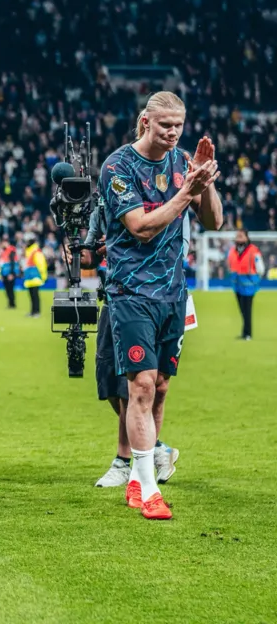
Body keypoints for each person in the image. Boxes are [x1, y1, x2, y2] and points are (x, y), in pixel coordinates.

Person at [100, 91, 223, 520]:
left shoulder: (182, 162)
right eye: (164, 124)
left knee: (162, 389)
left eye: (178, 125)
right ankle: (148, 487)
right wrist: (186, 192)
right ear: (146, 122)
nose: (172, 132)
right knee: (142, 386)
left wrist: (203, 184)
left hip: (173, 292)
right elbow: (141, 228)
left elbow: (214, 222)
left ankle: (136, 478)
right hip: (131, 292)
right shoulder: (118, 167)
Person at [82, 199, 183, 488]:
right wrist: (83, 254)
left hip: (161, 294)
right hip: (115, 297)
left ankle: (124, 462)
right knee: (109, 383)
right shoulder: (103, 207)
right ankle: (156, 448)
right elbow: (89, 255)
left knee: (143, 386)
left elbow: (147, 232)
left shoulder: (169, 197)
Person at [227, 229, 265, 340]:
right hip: (237, 284)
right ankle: (245, 332)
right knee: (242, 309)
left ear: (246, 238)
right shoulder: (233, 250)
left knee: (247, 309)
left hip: (248, 285)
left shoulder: (253, 250)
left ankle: (248, 333)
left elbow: (260, 268)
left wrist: (256, 279)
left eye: (241, 236)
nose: (238, 238)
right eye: (237, 236)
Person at [23, 233, 47, 317]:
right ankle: (33, 312)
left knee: (35, 295)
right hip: (29, 277)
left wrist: (43, 276)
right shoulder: (29, 251)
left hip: (35, 276)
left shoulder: (36, 251)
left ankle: (37, 312)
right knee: (31, 296)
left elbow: (41, 264)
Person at [0, 243, 20, 309]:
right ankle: (10, 304)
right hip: (5, 273)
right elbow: (2, 265)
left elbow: (13, 263)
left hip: (9, 273)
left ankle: (12, 304)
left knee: (10, 289)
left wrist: (12, 274)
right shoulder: (4, 252)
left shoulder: (11, 251)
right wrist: (1, 274)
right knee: (7, 289)